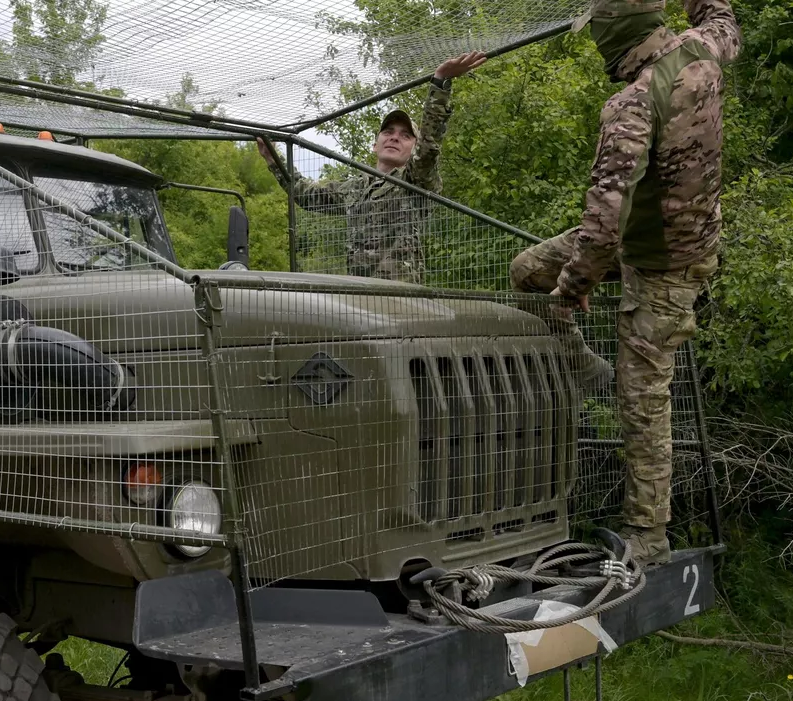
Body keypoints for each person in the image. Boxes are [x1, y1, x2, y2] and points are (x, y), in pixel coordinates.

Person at [511, 0, 739, 568]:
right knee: (525, 271)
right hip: (655, 238)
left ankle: (647, 537)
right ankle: (580, 359)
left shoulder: (632, 104)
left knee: (643, 403)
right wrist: (567, 278)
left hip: (665, 265)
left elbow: (604, 221)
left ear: (614, 35)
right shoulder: (705, 47)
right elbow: (722, 16)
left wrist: (572, 287)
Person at [256, 51, 488, 283]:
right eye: (388, 132)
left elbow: (429, 149)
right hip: (359, 296)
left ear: (414, 148)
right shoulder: (354, 187)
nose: (394, 138)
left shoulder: (414, 181)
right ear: (375, 145)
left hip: (401, 297)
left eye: (405, 135)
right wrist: (273, 159)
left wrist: (440, 83)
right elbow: (305, 194)